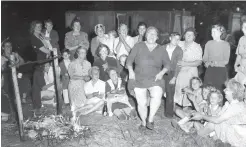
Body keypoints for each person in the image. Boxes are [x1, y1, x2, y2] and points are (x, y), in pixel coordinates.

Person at [126, 26, 170, 130]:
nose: (151, 35)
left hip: (155, 78)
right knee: (142, 103)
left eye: (154, 34)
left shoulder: (161, 49)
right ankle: (143, 122)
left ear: (157, 37)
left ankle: (150, 119)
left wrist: (162, 73)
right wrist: (131, 71)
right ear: (145, 35)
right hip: (139, 78)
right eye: (149, 33)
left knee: (157, 94)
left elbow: (168, 64)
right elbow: (129, 60)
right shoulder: (138, 46)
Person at [191, 79, 246, 147]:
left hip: (238, 136)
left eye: (227, 89)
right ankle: (204, 136)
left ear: (233, 92)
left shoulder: (236, 106)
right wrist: (203, 115)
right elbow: (217, 117)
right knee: (210, 126)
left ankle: (196, 135)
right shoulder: (228, 104)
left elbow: (217, 120)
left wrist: (202, 116)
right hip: (228, 129)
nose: (224, 90)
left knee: (213, 124)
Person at [173, 27, 203, 107]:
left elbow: (199, 62)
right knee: (177, 87)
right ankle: (175, 106)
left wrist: (185, 63)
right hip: (178, 69)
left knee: (188, 87)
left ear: (194, 37)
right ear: (184, 35)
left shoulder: (197, 46)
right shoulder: (179, 43)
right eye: (187, 34)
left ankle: (187, 106)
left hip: (191, 70)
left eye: (191, 35)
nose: (189, 36)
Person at [203, 24, 230, 92]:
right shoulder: (208, 43)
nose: (212, 34)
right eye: (212, 32)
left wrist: (215, 63)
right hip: (210, 71)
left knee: (218, 91)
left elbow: (226, 61)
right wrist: (206, 62)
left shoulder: (226, 44)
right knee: (207, 90)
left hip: (220, 71)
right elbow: (205, 57)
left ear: (221, 32)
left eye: (214, 32)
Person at [163, 32, 183, 118]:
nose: (176, 41)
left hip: (171, 73)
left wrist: (174, 77)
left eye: (178, 39)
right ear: (170, 38)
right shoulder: (163, 47)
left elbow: (179, 65)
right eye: (175, 38)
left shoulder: (179, 50)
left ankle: (169, 114)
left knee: (170, 94)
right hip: (161, 71)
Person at [68, 47, 91, 112]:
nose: (83, 54)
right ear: (77, 53)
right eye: (81, 52)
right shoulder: (72, 63)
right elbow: (71, 76)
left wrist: (88, 78)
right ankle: (74, 105)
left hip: (85, 83)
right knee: (77, 105)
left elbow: (90, 75)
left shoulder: (88, 63)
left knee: (84, 104)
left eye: (84, 53)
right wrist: (83, 78)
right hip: (75, 83)